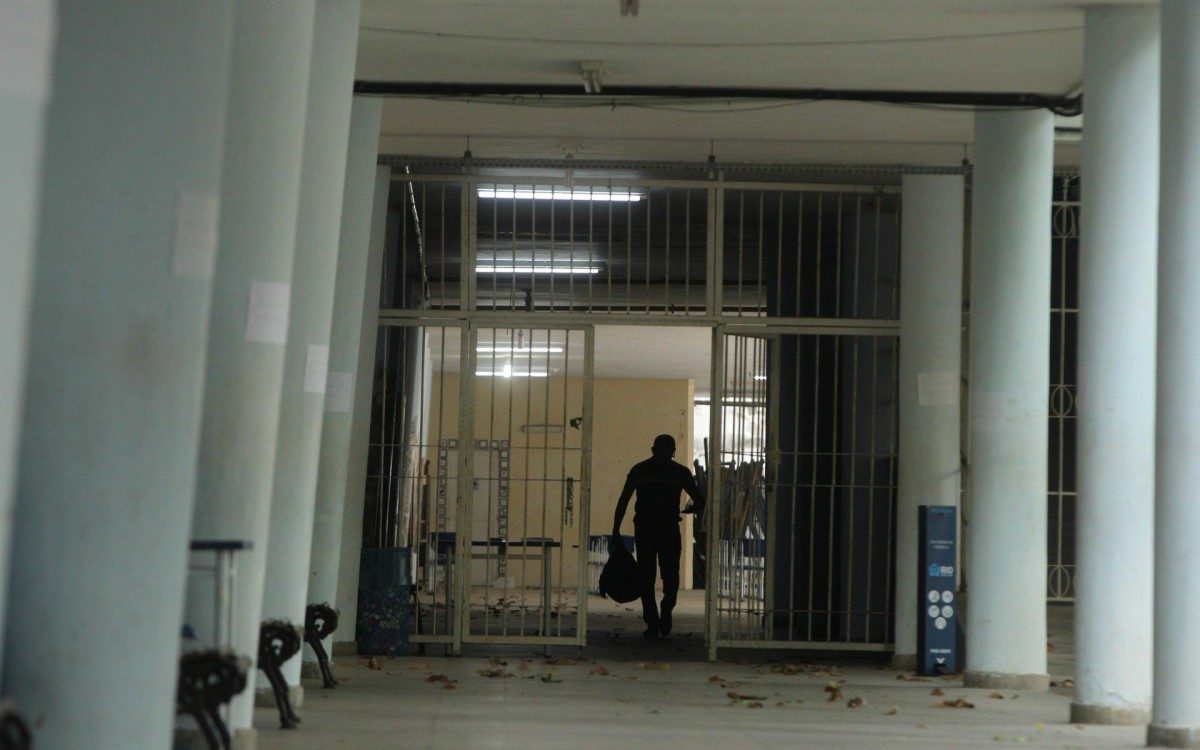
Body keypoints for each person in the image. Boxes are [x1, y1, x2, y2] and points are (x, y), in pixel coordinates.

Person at [611, 434, 704, 638]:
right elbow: (699, 499)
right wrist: (691, 508)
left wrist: (615, 529)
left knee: (646, 576)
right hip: (669, 530)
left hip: (645, 530)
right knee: (670, 576)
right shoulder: (681, 472)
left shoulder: (639, 470)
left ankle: (652, 622)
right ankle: (667, 609)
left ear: (652, 450)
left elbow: (623, 500)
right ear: (673, 453)